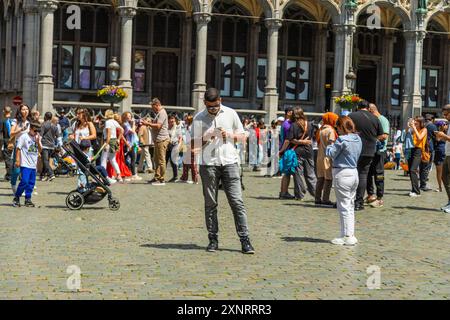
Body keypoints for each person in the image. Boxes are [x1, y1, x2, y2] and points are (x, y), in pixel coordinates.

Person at [192, 87, 254, 254]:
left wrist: (230, 135)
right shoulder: (198, 118)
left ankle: (245, 239)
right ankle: (213, 239)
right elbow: (193, 146)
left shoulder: (230, 113)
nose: (213, 110)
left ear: (221, 101)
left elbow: (243, 136)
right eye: (210, 107)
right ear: (204, 103)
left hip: (230, 162)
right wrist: (207, 136)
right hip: (208, 164)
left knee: (237, 202)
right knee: (210, 204)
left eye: (216, 106)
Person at [326, 116, 362, 246]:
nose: (337, 130)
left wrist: (329, 145)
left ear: (342, 127)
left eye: (337, 127)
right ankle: (349, 233)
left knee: (343, 206)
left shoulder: (341, 139)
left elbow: (331, 153)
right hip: (354, 172)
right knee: (350, 205)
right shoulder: (358, 138)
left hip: (342, 173)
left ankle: (347, 236)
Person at [349, 100, 384, 211]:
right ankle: (359, 202)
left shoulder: (351, 116)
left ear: (358, 107)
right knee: (363, 175)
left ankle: (348, 200)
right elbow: (381, 134)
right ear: (368, 108)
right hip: (369, 151)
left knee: (351, 174)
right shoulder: (375, 118)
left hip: (354, 150)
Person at [280, 107, 317, 200]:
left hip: (298, 152)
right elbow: (311, 138)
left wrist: (281, 151)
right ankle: (316, 193)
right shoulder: (309, 124)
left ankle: (300, 194)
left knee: (298, 174)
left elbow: (290, 139)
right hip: (309, 151)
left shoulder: (294, 125)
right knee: (310, 173)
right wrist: (304, 142)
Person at [12, 121, 42, 207]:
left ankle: (28, 199)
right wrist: (17, 160)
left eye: (38, 131)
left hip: (33, 164)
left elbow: (40, 150)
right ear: (31, 128)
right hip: (25, 163)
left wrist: (37, 141)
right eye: (35, 131)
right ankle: (17, 197)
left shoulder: (37, 137)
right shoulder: (24, 136)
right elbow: (18, 148)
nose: (37, 133)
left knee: (31, 183)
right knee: (24, 181)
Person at [366, 103, 390, 208]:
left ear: (371, 110)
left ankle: (380, 197)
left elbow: (384, 135)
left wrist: (371, 139)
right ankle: (370, 195)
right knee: (368, 174)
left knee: (379, 174)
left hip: (380, 151)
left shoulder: (383, 120)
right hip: (371, 151)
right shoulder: (372, 120)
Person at [315, 112, 338, 206]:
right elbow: (331, 144)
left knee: (320, 178)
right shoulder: (330, 130)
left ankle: (317, 198)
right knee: (328, 179)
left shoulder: (321, 129)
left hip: (319, 156)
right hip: (327, 157)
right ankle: (325, 199)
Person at [146, 98, 170, 186]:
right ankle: (157, 176)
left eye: (153, 107)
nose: (152, 109)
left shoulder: (162, 113)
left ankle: (161, 179)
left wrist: (147, 124)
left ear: (157, 105)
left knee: (161, 160)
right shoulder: (159, 113)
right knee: (156, 160)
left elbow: (158, 126)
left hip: (162, 139)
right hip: (158, 140)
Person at [10, 104, 31, 194]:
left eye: (27, 109)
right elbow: (11, 133)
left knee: (26, 169)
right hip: (18, 147)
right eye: (23, 109)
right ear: (20, 111)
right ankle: (13, 184)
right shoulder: (15, 121)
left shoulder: (30, 121)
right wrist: (21, 129)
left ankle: (23, 188)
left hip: (28, 148)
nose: (25, 111)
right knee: (17, 169)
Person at [101, 109, 123, 184]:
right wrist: (118, 139)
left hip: (109, 141)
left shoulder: (107, 122)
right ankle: (119, 175)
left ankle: (103, 176)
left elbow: (109, 134)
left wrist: (106, 143)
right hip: (114, 141)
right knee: (112, 159)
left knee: (103, 159)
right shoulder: (114, 122)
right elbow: (121, 130)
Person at [434, 104, 450, 213]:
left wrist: (443, 136)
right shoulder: (448, 124)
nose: (445, 117)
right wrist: (441, 135)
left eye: (446, 114)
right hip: (447, 154)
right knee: (444, 177)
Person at [408, 116, 428, 197]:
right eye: (414, 121)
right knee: (410, 170)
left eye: (416, 121)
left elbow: (419, 138)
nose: (415, 122)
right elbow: (407, 134)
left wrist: (414, 128)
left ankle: (417, 191)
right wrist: (409, 126)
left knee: (413, 169)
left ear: (421, 122)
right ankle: (413, 189)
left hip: (418, 150)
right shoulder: (414, 129)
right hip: (411, 149)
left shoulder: (424, 129)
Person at [279, 106, 295, 199]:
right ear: (288, 112)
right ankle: (284, 192)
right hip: (287, 149)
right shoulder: (287, 124)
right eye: (292, 112)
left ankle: (283, 192)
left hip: (285, 149)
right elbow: (288, 139)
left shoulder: (285, 123)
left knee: (287, 173)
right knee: (287, 173)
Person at [40, 112, 60, 181]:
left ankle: (51, 174)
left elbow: (40, 136)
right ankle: (42, 175)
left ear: (45, 117)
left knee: (45, 161)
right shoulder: (55, 126)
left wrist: (38, 144)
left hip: (44, 145)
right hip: (52, 146)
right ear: (51, 118)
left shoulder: (43, 125)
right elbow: (58, 137)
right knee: (46, 161)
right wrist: (59, 145)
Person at [122, 111, 142, 181]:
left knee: (134, 158)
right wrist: (133, 124)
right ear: (125, 117)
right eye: (128, 117)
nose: (130, 118)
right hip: (129, 145)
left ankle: (132, 173)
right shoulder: (125, 125)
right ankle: (133, 174)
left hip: (134, 144)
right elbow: (132, 131)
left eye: (130, 116)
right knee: (132, 159)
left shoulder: (128, 124)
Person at [179, 115, 199, 183]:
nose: (185, 120)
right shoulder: (186, 127)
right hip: (185, 145)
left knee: (193, 163)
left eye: (186, 120)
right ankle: (184, 177)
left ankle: (195, 179)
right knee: (184, 162)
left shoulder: (192, 128)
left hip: (191, 146)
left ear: (189, 120)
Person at [420, 114, 437, 191]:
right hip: (429, 148)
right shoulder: (432, 126)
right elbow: (436, 137)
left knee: (422, 167)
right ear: (431, 119)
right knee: (427, 166)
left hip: (421, 148)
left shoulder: (422, 125)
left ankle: (422, 184)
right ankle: (423, 185)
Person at [166, 114, 182, 182]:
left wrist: (179, 145)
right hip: (167, 146)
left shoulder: (177, 127)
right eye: (171, 119)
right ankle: (161, 175)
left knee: (173, 161)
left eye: (173, 119)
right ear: (168, 120)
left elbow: (180, 137)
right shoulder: (166, 127)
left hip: (174, 145)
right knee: (165, 161)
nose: (172, 120)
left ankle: (175, 177)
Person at [434, 120, 447, 192]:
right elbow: (438, 139)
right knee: (440, 171)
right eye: (445, 124)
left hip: (442, 152)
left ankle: (440, 187)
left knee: (440, 171)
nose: (446, 126)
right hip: (440, 152)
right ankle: (440, 187)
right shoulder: (440, 133)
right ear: (441, 126)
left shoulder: (443, 133)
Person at [1, 106, 13, 181]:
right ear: (10, 112)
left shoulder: (2, 121)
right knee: (11, 159)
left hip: (6, 142)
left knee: (7, 159)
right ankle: (10, 174)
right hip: (13, 141)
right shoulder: (12, 121)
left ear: (3, 112)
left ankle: (9, 175)